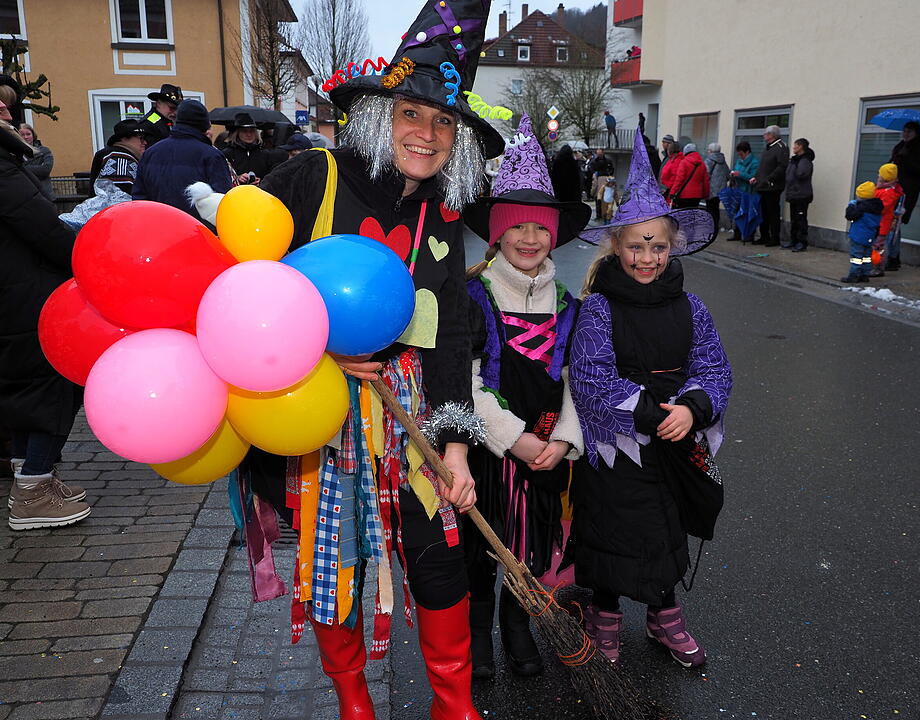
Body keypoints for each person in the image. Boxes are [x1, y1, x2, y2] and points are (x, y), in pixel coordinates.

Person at [210, 3, 504, 718]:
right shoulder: (314, 176)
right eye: (411, 114)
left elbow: (451, 335)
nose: (427, 134)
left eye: (443, 122)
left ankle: (454, 705)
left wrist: (456, 447)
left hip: (412, 416)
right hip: (317, 410)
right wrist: (315, 348)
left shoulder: (443, 214)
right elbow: (237, 282)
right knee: (335, 559)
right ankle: (352, 702)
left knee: (439, 554)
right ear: (379, 115)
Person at [571, 128, 732, 667]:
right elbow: (591, 377)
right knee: (613, 531)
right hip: (621, 445)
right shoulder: (600, 308)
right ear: (616, 247)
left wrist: (692, 408)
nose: (647, 257)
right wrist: (649, 412)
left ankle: (665, 615)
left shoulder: (692, 307)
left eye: (657, 246)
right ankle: (604, 615)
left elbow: (713, 366)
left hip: (674, 439)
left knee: (665, 529)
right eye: (636, 246)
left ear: (672, 247)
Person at [461, 113, 589, 681]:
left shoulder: (568, 305)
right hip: (490, 452)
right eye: (518, 227)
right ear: (497, 234)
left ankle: (517, 625)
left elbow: (579, 380)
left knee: (533, 549)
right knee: (480, 548)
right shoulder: (474, 296)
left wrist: (563, 440)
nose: (530, 238)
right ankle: (477, 633)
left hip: (546, 454)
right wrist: (513, 439)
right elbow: (464, 382)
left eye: (541, 228)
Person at [0, 77, 91, 531]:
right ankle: (32, 491)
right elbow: (42, 228)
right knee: (52, 387)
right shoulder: (2, 166)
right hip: (25, 297)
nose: (7, 112)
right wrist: (87, 257)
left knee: (27, 390)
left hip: (16, 293)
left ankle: (31, 478)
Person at [132, 99, 232, 222]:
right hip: (198, 230)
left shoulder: (150, 153)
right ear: (205, 125)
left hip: (157, 227)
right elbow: (222, 201)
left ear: (177, 120)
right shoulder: (212, 155)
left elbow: (139, 199)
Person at [888, 120, 920, 270]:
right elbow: (891, 164)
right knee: (891, 223)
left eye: (909, 131)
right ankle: (893, 257)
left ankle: (893, 258)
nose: (905, 134)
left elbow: (919, 170)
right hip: (893, 188)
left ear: (916, 133)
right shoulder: (900, 146)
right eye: (904, 130)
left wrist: (906, 158)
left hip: (906, 191)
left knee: (895, 223)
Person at [87, 119, 148, 196]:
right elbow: (121, 199)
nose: (145, 142)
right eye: (141, 138)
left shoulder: (112, 156)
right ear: (124, 138)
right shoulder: (121, 160)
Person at [751, 125, 789, 247]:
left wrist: (769, 179)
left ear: (772, 135)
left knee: (773, 212)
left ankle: (774, 238)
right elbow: (762, 166)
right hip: (762, 185)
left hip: (772, 186)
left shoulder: (781, 147)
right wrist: (756, 177)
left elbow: (782, 166)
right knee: (763, 212)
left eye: (766, 134)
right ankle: (764, 236)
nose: (764, 136)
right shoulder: (767, 148)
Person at [221, 113, 285, 184]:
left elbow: (271, 176)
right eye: (245, 131)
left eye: (252, 131)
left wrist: (262, 181)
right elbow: (223, 176)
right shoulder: (228, 153)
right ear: (238, 133)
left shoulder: (265, 154)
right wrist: (237, 178)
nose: (249, 134)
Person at [841, 181, 883, 283]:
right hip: (870, 237)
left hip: (858, 236)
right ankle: (865, 274)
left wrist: (851, 206)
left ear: (862, 197)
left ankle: (854, 275)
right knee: (866, 257)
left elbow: (849, 216)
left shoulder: (860, 208)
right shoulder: (877, 207)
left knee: (856, 257)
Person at [871, 163, 905, 276]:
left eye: (880, 174)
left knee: (878, 248)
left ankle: (878, 268)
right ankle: (873, 266)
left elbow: (881, 208)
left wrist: (868, 206)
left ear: (885, 178)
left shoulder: (888, 193)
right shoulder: (883, 189)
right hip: (877, 224)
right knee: (876, 247)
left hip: (881, 225)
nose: (878, 176)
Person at [784, 138, 815, 252]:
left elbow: (801, 174)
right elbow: (789, 174)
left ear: (801, 147)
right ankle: (793, 240)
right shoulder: (795, 160)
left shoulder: (805, 161)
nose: (794, 147)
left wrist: (794, 169)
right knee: (794, 219)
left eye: (795, 145)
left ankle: (802, 242)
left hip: (802, 194)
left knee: (801, 219)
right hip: (793, 193)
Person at [729, 141, 759, 242]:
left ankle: (749, 235)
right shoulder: (739, 161)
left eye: (741, 154)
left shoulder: (754, 162)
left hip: (749, 191)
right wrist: (733, 175)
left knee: (748, 213)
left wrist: (740, 174)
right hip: (738, 190)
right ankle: (737, 234)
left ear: (747, 152)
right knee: (738, 213)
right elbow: (736, 170)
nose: (740, 156)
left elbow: (753, 177)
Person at [17, 123, 54, 201]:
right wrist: (38, 167)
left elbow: (45, 170)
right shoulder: (15, 153)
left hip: (44, 194)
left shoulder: (44, 151)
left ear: (33, 135)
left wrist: (22, 168)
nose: (26, 137)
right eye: (22, 135)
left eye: (28, 134)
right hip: (25, 195)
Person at [669, 143, 710, 210]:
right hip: (697, 195)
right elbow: (705, 181)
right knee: (693, 213)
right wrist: (706, 195)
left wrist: (672, 192)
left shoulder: (684, 162)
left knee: (684, 214)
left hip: (684, 194)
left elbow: (679, 179)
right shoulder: (702, 164)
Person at [704, 143, 730, 237]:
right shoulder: (723, 161)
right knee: (715, 208)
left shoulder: (709, 160)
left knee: (710, 208)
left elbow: (705, 174)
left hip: (711, 189)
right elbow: (728, 175)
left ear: (711, 151)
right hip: (720, 190)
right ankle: (715, 227)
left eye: (708, 150)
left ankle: (710, 228)